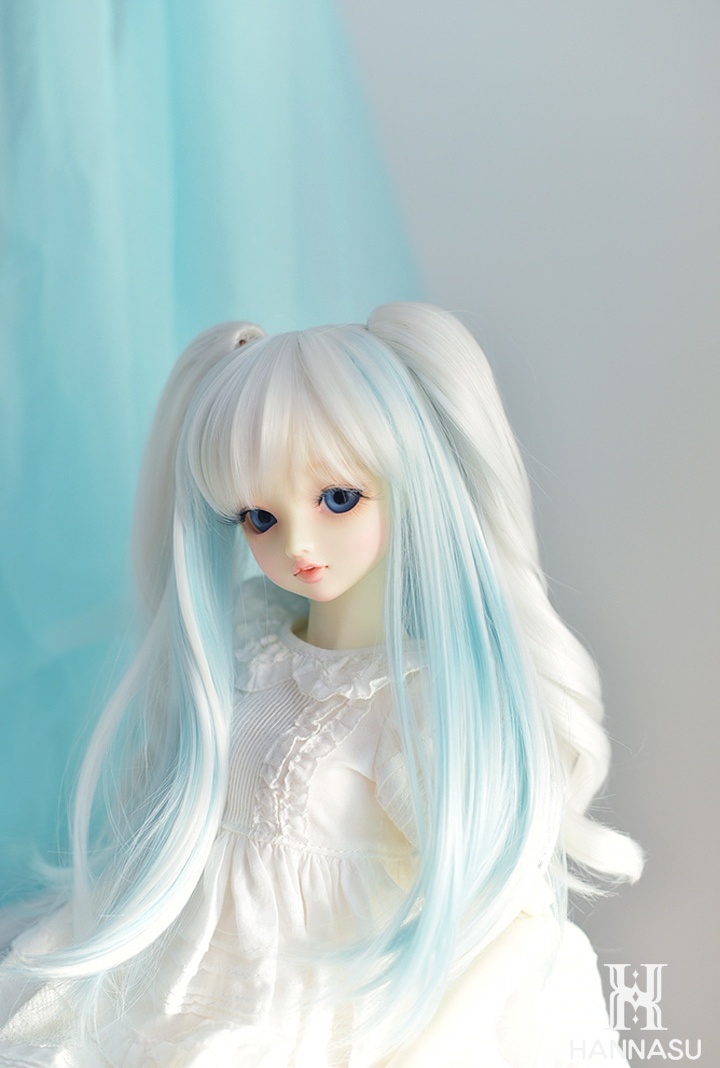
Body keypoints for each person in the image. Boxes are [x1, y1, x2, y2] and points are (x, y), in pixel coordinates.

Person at [0, 303, 642, 1066]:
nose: (298, 543)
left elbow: (506, 912)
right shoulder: (250, 636)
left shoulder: (416, 700)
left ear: (412, 484)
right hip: (192, 974)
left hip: (322, 1004)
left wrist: (436, 1042)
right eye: (258, 517)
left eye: (339, 498)